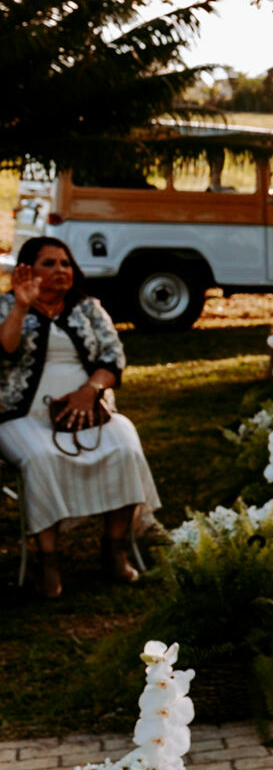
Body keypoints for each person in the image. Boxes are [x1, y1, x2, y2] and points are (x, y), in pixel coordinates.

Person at [0, 236, 161, 598]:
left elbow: (113, 357)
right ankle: (48, 561)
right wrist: (20, 309)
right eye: (49, 263)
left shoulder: (89, 308)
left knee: (125, 448)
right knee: (40, 459)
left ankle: (114, 549)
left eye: (66, 263)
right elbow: (4, 350)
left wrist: (90, 391)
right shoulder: (7, 306)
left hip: (92, 413)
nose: (61, 270)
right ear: (27, 270)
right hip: (21, 415)